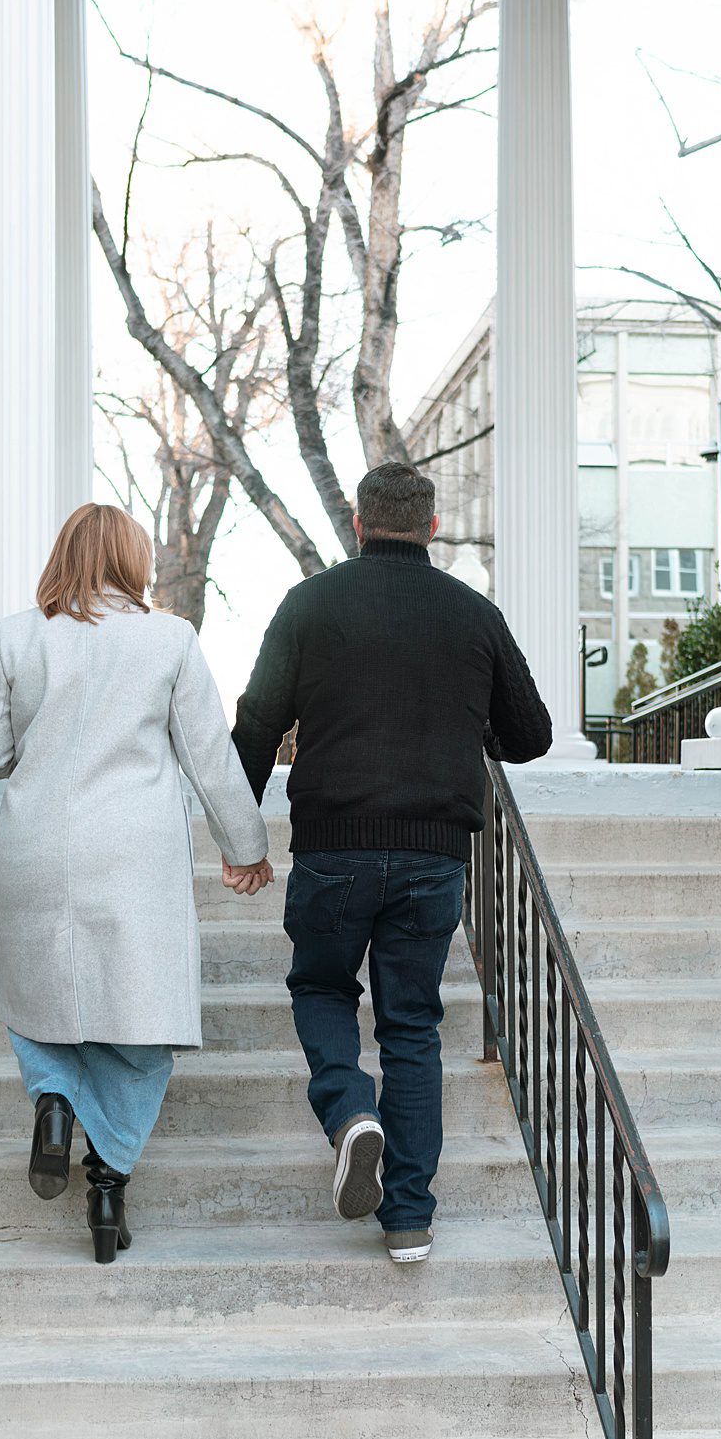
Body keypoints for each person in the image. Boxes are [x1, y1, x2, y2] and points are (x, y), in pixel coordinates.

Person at [232, 462, 552, 1264]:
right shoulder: (473, 615)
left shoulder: (307, 606)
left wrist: (239, 835)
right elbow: (531, 734)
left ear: (358, 521)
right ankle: (409, 1216)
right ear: (433, 525)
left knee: (320, 986)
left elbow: (256, 727)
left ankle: (349, 1112)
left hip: (334, 850)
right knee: (412, 1025)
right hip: (433, 855)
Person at [0, 503, 273, 1264]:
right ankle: (108, 1177)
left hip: (36, 846)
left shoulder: (11, 635)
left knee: (37, 1006)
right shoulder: (168, 639)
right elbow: (208, 756)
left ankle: (55, 1102)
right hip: (134, 856)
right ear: (134, 561)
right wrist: (246, 844)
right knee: (143, 1026)